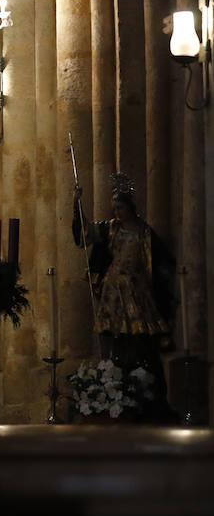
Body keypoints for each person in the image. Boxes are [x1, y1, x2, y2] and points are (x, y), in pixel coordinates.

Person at [72, 173, 177, 418]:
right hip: (113, 292)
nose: (116, 211)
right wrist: (77, 206)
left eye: (120, 207)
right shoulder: (111, 229)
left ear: (130, 207)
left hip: (136, 291)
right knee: (115, 338)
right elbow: (86, 234)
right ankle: (115, 379)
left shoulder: (144, 233)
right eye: (114, 207)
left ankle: (142, 386)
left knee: (139, 338)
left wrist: (163, 281)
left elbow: (161, 261)